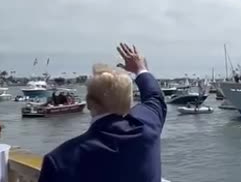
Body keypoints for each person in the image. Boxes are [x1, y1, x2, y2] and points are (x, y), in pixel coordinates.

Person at [38, 43, 167, 182]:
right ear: (129, 102)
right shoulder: (147, 129)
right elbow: (155, 98)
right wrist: (140, 69)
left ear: (89, 103)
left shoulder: (60, 160)